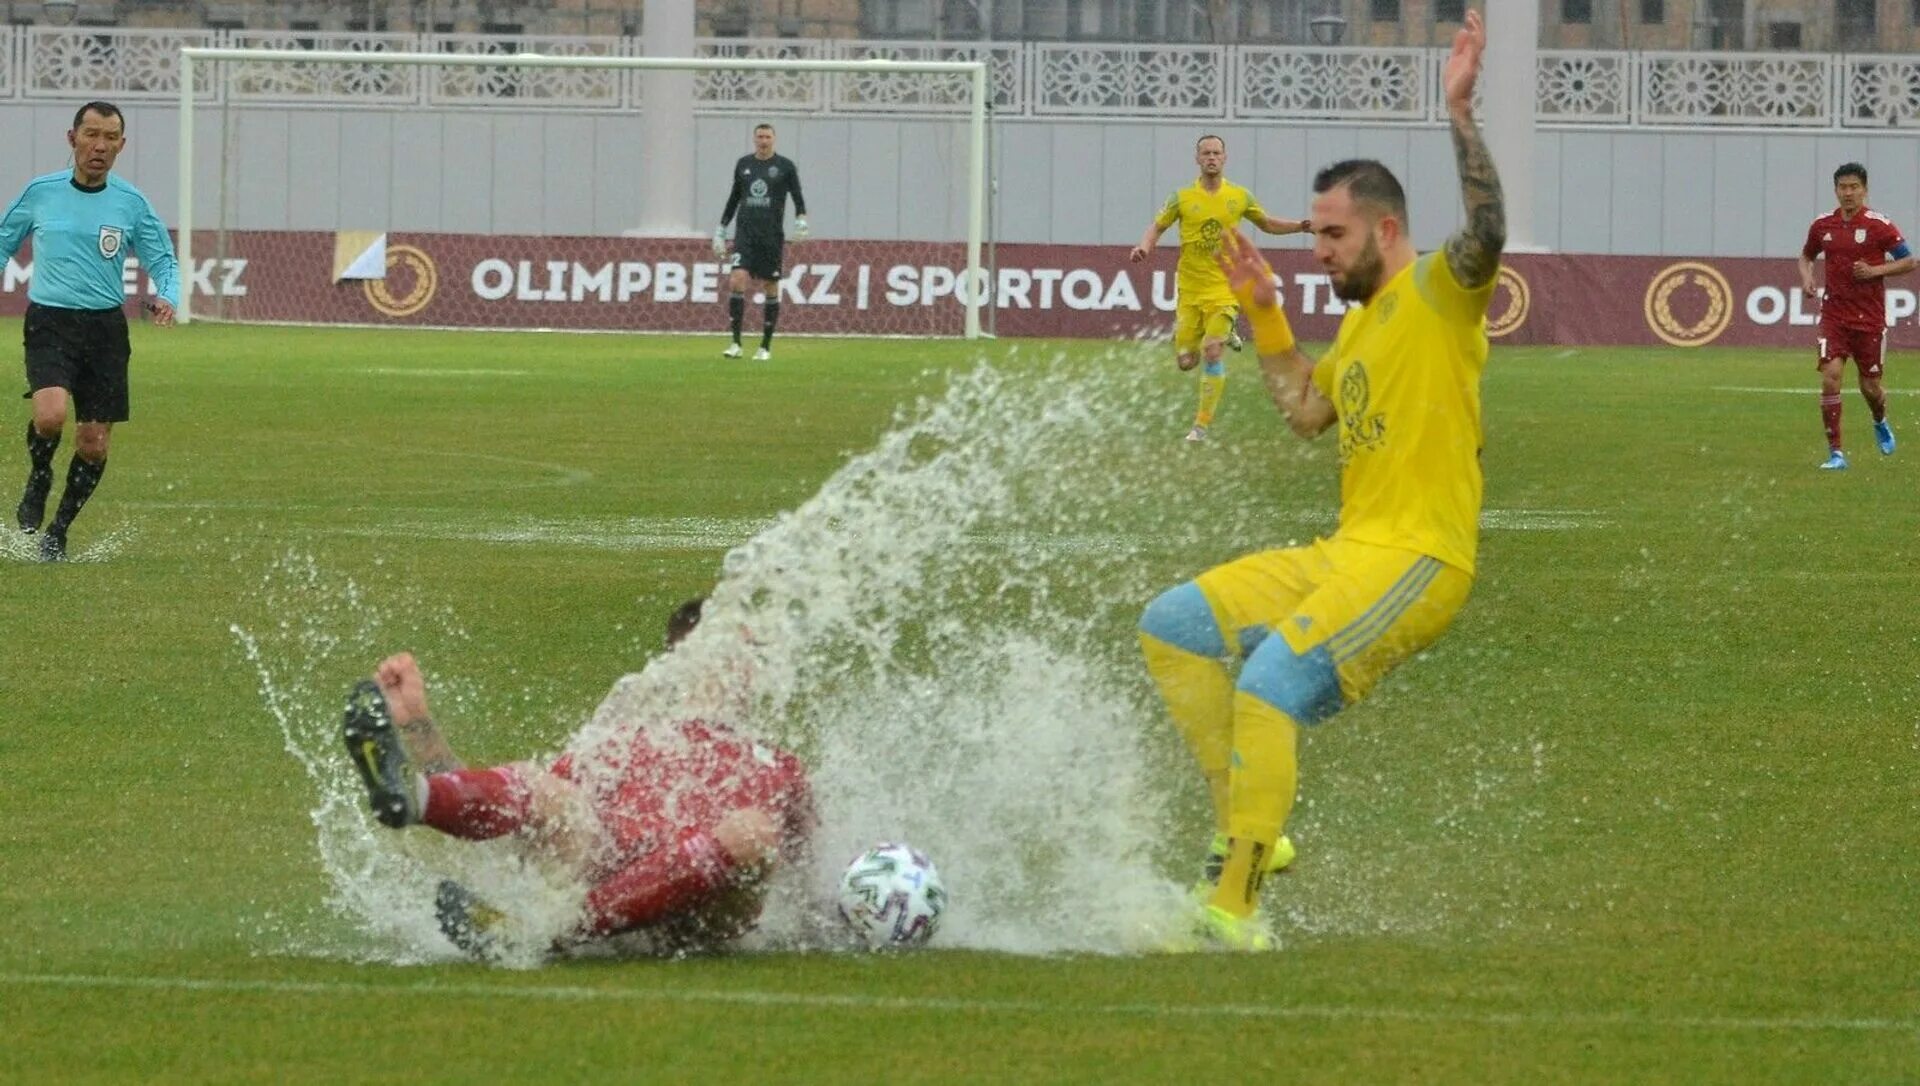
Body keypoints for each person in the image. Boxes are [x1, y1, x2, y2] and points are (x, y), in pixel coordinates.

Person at [1137, 9, 1504, 952]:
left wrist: (1460, 111)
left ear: (1387, 228)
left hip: (1421, 561)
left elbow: (1487, 227)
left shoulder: (1439, 294)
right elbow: (1305, 409)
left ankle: (1237, 905)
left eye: (1333, 235)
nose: (1320, 251)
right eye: (1316, 239)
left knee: (1268, 683)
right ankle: (1253, 833)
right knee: (1173, 625)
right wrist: (1264, 311)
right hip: (1348, 555)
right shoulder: (1357, 326)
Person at [342, 599, 815, 960]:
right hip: (592, 874)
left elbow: (804, 882)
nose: (743, 667)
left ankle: (550, 931)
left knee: (753, 831)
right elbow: (513, 819)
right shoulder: (622, 737)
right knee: (548, 789)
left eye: (749, 654)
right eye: (730, 652)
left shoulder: (779, 766)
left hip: (698, 917)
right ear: (678, 662)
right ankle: (414, 798)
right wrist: (419, 726)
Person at [4, 101, 179, 561]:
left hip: (104, 331)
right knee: (50, 416)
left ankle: (57, 533)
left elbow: (162, 258)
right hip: (50, 321)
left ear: (122, 145)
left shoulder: (131, 203)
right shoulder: (41, 192)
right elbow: (4, 240)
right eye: (91, 135)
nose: (99, 146)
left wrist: (169, 295)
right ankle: (39, 476)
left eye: (110, 138)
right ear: (72, 138)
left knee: (94, 444)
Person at [1129, 134, 1310, 443]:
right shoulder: (1181, 197)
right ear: (1197, 159)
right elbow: (1157, 226)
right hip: (1190, 289)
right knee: (1186, 362)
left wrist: (1300, 226)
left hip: (1225, 288)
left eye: (1216, 153)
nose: (1211, 157)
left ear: (1224, 158)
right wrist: (1144, 247)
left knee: (1213, 352)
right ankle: (1217, 333)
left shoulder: (1239, 196)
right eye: (1206, 153)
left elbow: (1265, 223)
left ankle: (1200, 426)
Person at [1797, 162, 1915, 471]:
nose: (1848, 193)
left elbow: (1909, 261)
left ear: (1864, 190)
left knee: (1870, 387)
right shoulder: (1823, 225)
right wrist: (1806, 277)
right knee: (1830, 379)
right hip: (1834, 315)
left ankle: (1880, 420)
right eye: (1842, 187)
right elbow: (1807, 255)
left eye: (1854, 187)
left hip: (1869, 319)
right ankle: (1836, 453)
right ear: (1835, 190)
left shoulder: (1879, 225)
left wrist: (1875, 270)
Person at [713, 123, 807, 362]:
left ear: (773, 139)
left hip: (771, 236)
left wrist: (801, 222)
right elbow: (734, 197)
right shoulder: (744, 164)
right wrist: (721, 229)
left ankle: (765, 346)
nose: (763, 141)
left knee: (771, 287)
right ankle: (735, 343)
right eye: (760, 137)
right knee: (736, 279)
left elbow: (797, 196)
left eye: (767, 137)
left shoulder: (785, 167)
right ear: (754, 139)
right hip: (745, 233)